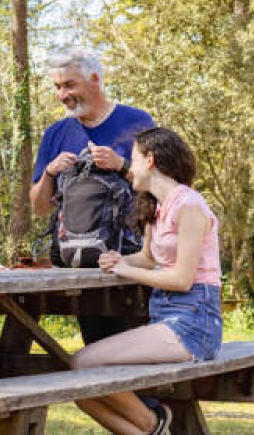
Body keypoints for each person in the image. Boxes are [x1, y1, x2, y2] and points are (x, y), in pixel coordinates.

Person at [71, 127, 223, 435]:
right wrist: (119, 260)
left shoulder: (191, 206)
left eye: (134, 159)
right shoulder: (156, 205)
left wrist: (127, 272)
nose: (131, 166)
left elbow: (181, 279)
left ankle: (154, 423)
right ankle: (154, 427)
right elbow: (151, 259)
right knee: (80, 389)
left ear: (150, 160)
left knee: (83, 366)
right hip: (166, 319)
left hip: (194, 324)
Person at [30, 47, 156, 345]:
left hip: (133, 266)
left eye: (69, 85)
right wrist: (48, 173)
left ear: (95, 79)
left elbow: (162, 189)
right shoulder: (55, 134)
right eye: (57, 87)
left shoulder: (136, 122)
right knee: (98, 352)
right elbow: (38, 208)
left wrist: (121, 165)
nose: (62, 95)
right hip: (81, 265)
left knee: (142, 357)